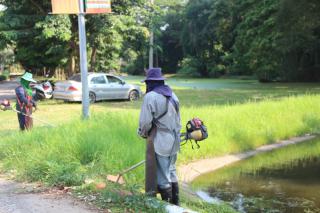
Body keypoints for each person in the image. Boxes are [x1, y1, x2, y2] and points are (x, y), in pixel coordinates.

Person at [138, 68, 181, 205]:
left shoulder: (150, 97)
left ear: (150, 83)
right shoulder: (173, 95)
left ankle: (168, 208)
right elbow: (178, 120)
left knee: (163, 177)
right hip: (175, 139)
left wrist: (143, 133)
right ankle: (177, 206)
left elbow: (145, 122)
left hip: (161, 140)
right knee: (171, 171)